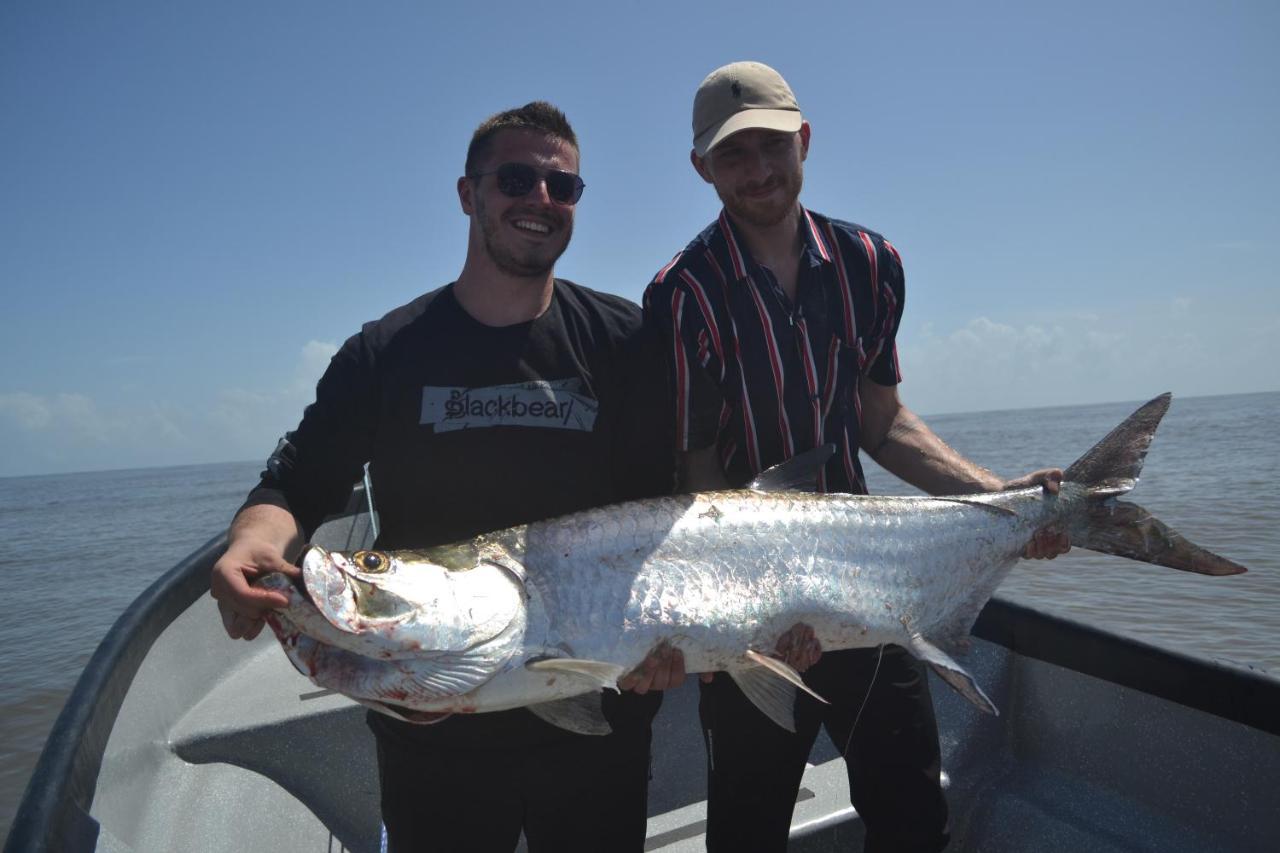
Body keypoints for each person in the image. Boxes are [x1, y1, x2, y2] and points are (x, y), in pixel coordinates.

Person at [211, 101, 685, 853]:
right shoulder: (385, 353)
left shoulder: (626, 341)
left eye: (563, 188)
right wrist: (249, 544)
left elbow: (665, 512)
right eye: (517, 179)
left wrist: (670, 638)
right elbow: (298, 484)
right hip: (428, 721)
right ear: (468, 193)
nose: (540, 200)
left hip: (599, 708)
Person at [642, 62, 1071, 853]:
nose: (758, 170)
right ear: (702, 167)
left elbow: (882, 419)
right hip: (750, 619)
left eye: (771, 144)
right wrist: (745, 617)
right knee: (746, 833)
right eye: (733, 155)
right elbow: (695, 475)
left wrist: (999, 497)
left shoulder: (873, 265)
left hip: (870, 588)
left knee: (912, 819)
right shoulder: (682, 295)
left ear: (804, 140)